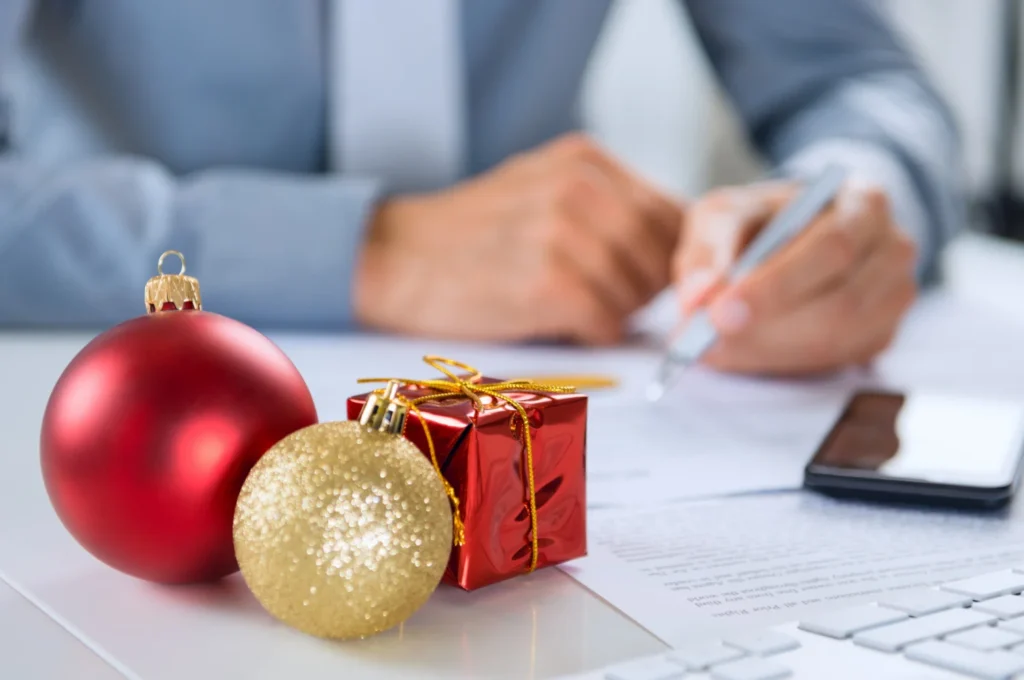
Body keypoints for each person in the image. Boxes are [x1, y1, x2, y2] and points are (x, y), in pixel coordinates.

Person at [0, 1, 962, 375]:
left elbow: (859, 81)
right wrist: (372, 252)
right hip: (109, 378)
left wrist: (846, 210)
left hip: (580, 383)